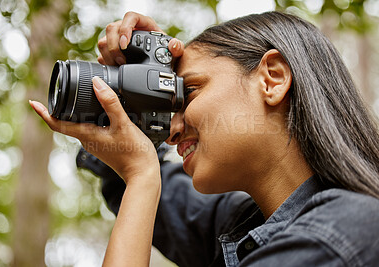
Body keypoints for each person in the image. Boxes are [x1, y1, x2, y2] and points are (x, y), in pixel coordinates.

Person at [30, 11, 379, 267]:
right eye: (169, 102)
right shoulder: (242, 223)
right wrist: (128, 94)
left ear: (272, 79)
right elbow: (162, 202)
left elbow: (146, 181)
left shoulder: (338, 237)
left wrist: (141, 177)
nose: (172, 128)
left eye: (189, 93)